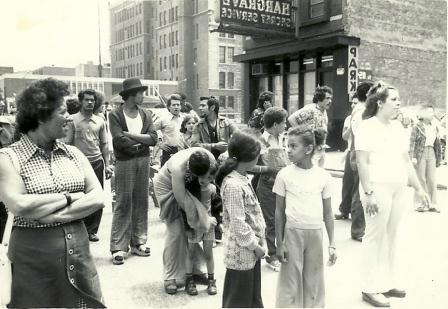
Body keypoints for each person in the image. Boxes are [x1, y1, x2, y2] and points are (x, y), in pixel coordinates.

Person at [0, 77, 105, 308]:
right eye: (62, 111)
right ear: (40, 115)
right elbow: (19, 205)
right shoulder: (9, 158)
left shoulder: (74, 154)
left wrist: (52, 216)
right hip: (32, 265)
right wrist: (71, 196)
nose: (68, 116)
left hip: (80, 259)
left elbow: (98, 197)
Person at [355, 81, 430, 307]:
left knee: (392, 236)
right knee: (374, 236)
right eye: (394, 100)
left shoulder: (398, 128)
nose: (399, 104)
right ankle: (369, 288)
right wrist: (368, 192)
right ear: (380, 103)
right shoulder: (366, 127)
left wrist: (419, 188)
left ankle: (386, 283)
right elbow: (362, 161)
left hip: (398, 188)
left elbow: (405, 161)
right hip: (377, 187)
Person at [273, 126, 336, 308]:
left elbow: (328, 212)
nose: (288, 150)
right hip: (292, 233)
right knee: (289, 283)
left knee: (314, 281)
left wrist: (332, 243)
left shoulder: (323, 176)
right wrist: (279, 242)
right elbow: (279, 211)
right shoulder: (284, 175)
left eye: (293, 146)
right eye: (287, 145)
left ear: (308, 149)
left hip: (315, 234)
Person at [153, 147, 217, 295]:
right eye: (198, 176)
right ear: (191, 170)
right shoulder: (178, 168)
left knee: (191, 233)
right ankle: (170, 276)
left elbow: (209, 186)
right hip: (167, 185)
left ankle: (193, 269)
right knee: (175, 230)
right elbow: (184, 203)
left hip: (190, 187)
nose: (203, 180)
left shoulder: (209, 160)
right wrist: (203, 219)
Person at [109, 78, 158, 265]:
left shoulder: (145, 113)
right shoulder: (115, 114)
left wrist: (129, 135)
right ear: (131, 95)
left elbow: (153, 138)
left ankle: (139, 242)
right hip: (125, 160)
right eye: (140, 93)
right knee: (124, 201)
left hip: (143, 160)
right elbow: (118, 141)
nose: (143, 96)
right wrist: (140, 140)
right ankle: (118, 246)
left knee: (141, 199)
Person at [216, 130, 266, 308]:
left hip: (250, 251)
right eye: (258, 156)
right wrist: (256, 247)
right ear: (249, 157)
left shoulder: (242, 178)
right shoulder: (233, 185)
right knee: (239, 301)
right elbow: (239, 224)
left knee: (251, 298)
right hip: (242, 252)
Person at [65, 89, 113, 242]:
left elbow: (105, 144)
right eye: (87, 100)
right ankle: (79, 228)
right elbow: (67, 143)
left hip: (97, 161)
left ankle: (92, 230)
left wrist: (108, 165)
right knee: (79, 197)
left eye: (92, 100)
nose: (90, 102)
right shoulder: (72, 120)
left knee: (97, 196)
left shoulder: (100, 121)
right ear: (81, 101)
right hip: (78, 163)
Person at [255, 106, 289, 272]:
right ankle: (272, 255)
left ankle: (282, 250)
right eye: (283, 123)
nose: (286, 126)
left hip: (285, 184)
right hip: (268, 185)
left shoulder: (285, 138)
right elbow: (251, 166)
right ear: (275, 124)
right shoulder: (259, 141)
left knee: (285, 217)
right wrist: (269, 168)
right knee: (270, 221)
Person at [340, 82, 373, 241]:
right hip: (360, 153)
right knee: (360, 191)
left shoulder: (361, 112)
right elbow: (362, 139)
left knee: (358, 189)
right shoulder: (361, 113)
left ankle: (360, 228)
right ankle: (358, 230)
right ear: (368, 95)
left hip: (359, 152)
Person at [184, 161, 219, 296]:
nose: (206, 180)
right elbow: (185, 210)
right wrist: (187, 226)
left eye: (210, 178)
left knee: (209, 254)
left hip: (208, 226)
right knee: (191, 253)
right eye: (204, 176)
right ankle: (189, 280)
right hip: (194, 226)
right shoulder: (190, 189)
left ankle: (211, 280)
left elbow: (217, 206)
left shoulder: (213, 189)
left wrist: (218, 221)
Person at [409, 103, 443, 212]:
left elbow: (438, 143)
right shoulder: (416, 126)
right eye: (428, 111)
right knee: (421, 179)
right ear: (422, 113)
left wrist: (439, 157)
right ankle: (420, 203)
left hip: (431, 151)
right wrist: (412, 157)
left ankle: (433, 203)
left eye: (432, 111)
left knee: (432, 179)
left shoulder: (435, 126)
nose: (431, 113)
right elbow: (412, 142)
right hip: (420, 152)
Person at [288, 86, 333, 167]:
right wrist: (303, 133)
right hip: (312, 149)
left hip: (321, 148)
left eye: (331, 98)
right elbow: (291, 119)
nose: (330, 101)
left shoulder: (324, 111)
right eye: (327, 98)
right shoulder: (311, 109)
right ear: (320, 98)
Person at [335, 94, 359, 220]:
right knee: (347, 182)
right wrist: (351, 126)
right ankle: (344, 209)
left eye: (356, 102)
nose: (353, 105)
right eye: (352, 103)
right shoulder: (349, 118)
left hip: (360, 152)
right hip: (350, 151)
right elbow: (344, 136)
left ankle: (355, 212)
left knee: (357, 184)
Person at [191, 96, 238, 160]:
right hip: (206, 162)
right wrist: (214, 146)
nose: (199, 108)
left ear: (212, 107)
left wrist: (228, 152)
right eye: (200, 105)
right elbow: (194, 145)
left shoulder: (227, 122)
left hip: (225, 161)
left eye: (203, 105)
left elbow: (240, 138)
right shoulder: (198, 126)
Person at [154, 93, 184, 167]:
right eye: (173, 105)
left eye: (178, 105)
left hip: (183, 151)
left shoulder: (185, 119)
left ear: (181, 106)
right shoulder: (163, 119)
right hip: (169, 151)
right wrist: (159, 144)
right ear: (169, 107)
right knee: (166, 176)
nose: (176, 107)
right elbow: (150, 130)